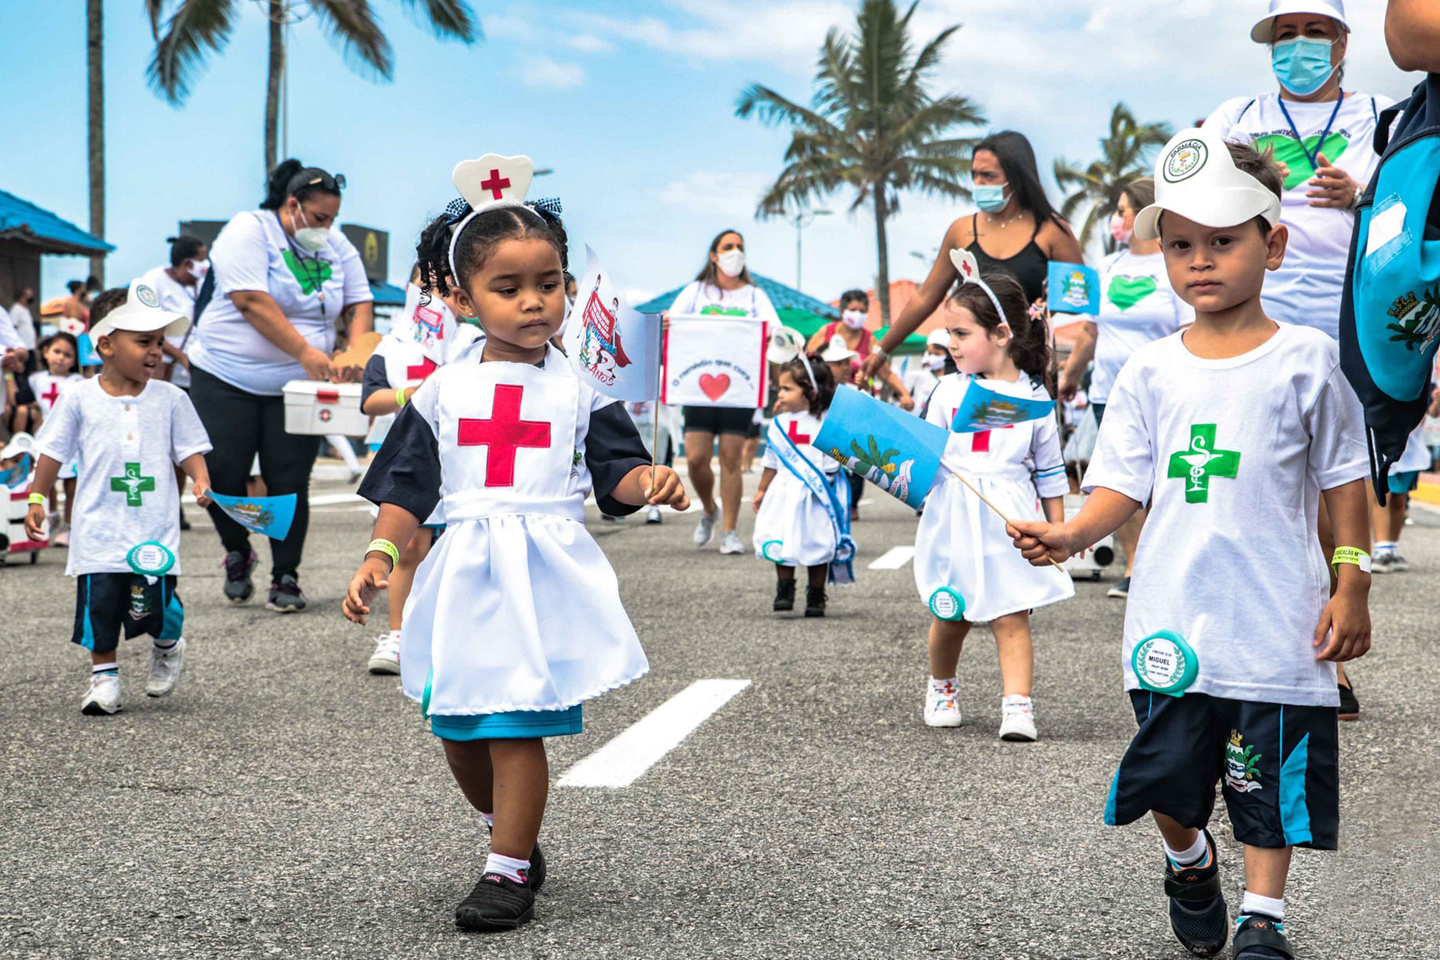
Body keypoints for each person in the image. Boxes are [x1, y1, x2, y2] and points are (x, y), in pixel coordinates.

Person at [1011, 130, 1371, 960]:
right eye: (1180, 245)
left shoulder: (1307, 361)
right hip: (1170, 619)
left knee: (1265, 786)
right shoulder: (1149, 373)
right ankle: (1189, 862)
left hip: (1277, 623)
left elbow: (1347, 481)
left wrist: (1349, 584)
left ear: (1272, 244)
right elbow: (1121, 487)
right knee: (1169, 782)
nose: (1199, 261)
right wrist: (1069, 533)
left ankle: (1262, 917)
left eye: (1222, 241)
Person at [344, 153, 690, 932]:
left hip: (542, 571)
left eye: (551, 282)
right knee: (460, 731)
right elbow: (405, 487)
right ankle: (516, 838)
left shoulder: (579, 387)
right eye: (509, 288)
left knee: (516, 722)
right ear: (464, 299)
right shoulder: (439, 391)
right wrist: (381, 554)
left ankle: (506, 872)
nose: (535, 302)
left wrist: (650, 482)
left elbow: (617, 470)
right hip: (464, 569)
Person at [1204, 0, 1388, 718]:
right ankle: (1271, 643)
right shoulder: (1235, 115)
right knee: (1264, 484)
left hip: (1348, 323)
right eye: (1286, 34)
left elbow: (1422, 199)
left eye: (1316, 32)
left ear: (1344, 40)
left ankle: (1327, 646)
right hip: (1256, 319)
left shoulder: (1383, 114)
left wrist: (1364, 195)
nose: (1300, 45)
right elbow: (1200, 206)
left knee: (1334, 488)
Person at [187, 159, 374, 612]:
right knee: (221, 474)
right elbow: (250, 301)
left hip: (297, 389)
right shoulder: (249, 229)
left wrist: (355, 354)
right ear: (293, 205)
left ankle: (285, 576)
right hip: (225, 375)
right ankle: (237, 548)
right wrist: (308, 353)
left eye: (333, 219)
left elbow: (360, 301)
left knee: (289, 481)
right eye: (319, 217)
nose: (327, 228)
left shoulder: (336, 244)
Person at [24, 281, 214, 715]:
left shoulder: (171, 399)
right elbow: (52, 452)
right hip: (98, 527)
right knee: (101, 605)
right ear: (106, 344)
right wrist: (37, 499)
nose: (155, 352)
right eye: (144, 341)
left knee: (155, 607)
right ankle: (104, 679)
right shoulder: (77, 398)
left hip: (153, 529)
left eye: (161, 342)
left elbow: (189, 450)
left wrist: (201, 481)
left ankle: (168, 644)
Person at [918, 265, 1071, 742]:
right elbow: (923, 454)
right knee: (951, 612)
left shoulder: (1036, 397)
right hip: (954, 514)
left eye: (962, 333)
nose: (952, 344)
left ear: (1002, 333)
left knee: (1013, 611)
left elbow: (1049, 471)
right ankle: (942, 687)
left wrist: (1060, 531)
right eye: (949, 334)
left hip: (1013, 516)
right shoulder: (946, 390)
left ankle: (1018, 705)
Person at [1058, 178, 1193, 599]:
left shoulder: (1173, 263)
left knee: (1164, 485)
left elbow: (1189, 327)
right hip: (1107, 393)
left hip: (1165, 393)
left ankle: (1170, 567)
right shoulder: (1107, 268)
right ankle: (1135, 568)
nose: (1116, 219)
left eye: (1122, 211)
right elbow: (1090, 331)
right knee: (1122, 484)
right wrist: (1070, 376)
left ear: (1148, 213)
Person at [862, 131, 1084, 382]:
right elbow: (925, 297)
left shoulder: (1052, 231)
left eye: (988, 176)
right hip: (966, 367)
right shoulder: (962, 231)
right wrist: (882, 350)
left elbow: (1078, 298)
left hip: (1024, 367)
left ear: (1016, 178)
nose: (978, 183)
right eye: (974, 175)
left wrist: (1041, 311)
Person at [357, 258, 478, 674]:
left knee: (458, 551)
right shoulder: (391, 345)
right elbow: (369, 400)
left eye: (445, 286)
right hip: (407, 456)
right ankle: (398, 635)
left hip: (462, 459)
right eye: (425, 286)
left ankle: (450, 636)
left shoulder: (471, 342)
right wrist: (410, 393)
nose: (435, 296)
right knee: (409, 545)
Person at [668, 229, 779, 555]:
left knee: (731, 459)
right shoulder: (695, 291)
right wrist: (665, 324)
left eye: (740, 247)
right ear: (713, 255)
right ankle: (709, 510)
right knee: (697, 460)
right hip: (698, 390)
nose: (735, 252)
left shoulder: (756, 296)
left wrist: (774, 340)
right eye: (728, 247)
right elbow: (673, 322)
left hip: (739, 391)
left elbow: (774, 331)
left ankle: (730, 531)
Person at [752, 354, 846, 618]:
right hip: (783, 491)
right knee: (781, 537)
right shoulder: (779, 424)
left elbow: (835, 459)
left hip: (817, 494)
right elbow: (772, 459)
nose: (779, 394)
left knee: (817, 542)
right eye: (779, 388)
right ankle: (785, 588)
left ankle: (816, 595)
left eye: (786, 388)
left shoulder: (829, 420)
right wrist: (761, 490)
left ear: (811, 391)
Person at [805, 290, 914, 408]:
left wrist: (905, 394)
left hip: (856, 402)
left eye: (862, 311)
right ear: (842, 311)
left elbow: (886, 374)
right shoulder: (825, 333)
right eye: (853, 310)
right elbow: (806, 365)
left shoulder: (870, 341)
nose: (857, 314)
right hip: (825, 399)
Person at [27, 332, 84, 544]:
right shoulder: (35, 380)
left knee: (71, 485)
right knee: (46, 481)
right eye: (57, 352)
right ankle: (48, 517)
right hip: (45, 435)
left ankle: (69, 526)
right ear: (45, 352)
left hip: (72, 438)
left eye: (67, 355)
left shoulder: (79, 381)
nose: (61, 358)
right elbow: (20, 400)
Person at [820, 334, 867, 519]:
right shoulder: (815, 394)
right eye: (838, 363)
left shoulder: (855, 391)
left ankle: (852, 504)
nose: (846, 368)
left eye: (847, 363)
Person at [900, 329, 951, 415]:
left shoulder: (952, 381)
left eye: (937, 353)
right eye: (930, 353)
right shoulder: (918, 376)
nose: (931, 357)